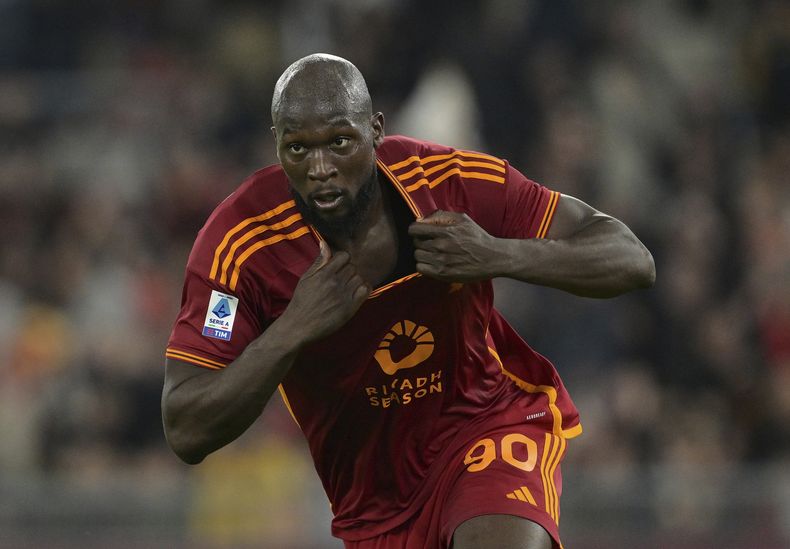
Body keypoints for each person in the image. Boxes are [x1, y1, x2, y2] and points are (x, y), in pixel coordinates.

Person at [162, 53, 655, 549]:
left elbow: (631, 259)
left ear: (375, 131)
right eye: (297, 149)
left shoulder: (448, 181)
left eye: (339, 142)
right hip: (371, 506)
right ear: (276, 144)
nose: (320, 169)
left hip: (486, 430)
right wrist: (291, 329)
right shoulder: (238, 246)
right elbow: (186, 427)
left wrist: (498, 253)